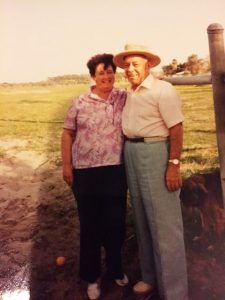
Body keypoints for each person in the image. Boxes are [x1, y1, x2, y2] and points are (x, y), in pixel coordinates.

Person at [113, 44, 188, 300]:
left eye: (135, 64)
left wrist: (173, 164)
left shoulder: (162, 89)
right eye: (126, 65)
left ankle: (175, 292)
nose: (130, 69)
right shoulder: (130, 92)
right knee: (143, 219)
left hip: (156, 152)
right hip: (132, 153)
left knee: (164, 223)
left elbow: (176, 128)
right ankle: (150, 277)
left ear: (148, 65)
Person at [61, 53, 128, 300]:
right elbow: (68, 133)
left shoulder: (123, 97)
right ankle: (91, 278)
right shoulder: (79, 102)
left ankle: (115, 270)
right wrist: (67, 165)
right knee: (90, 227)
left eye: (110, 71)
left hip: (114, 171)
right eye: (101, 72)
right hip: (85, 173)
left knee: (116, 226)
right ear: (93, 76)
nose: (107, 76)